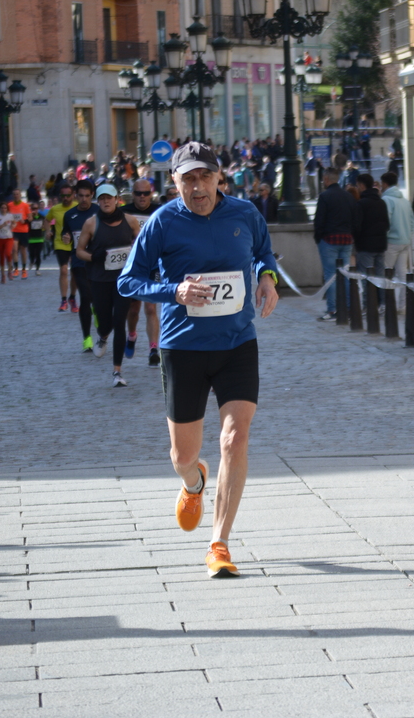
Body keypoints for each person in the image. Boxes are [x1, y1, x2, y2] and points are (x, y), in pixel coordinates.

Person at [117, 141, 280, 578]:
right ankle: (194, 481)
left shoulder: (245, 214)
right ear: (175, 182)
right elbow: (128, 282)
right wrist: (174, 292)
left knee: (235, 439)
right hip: (183, 347)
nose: (198, 186)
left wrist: (267, 279)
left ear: (219, 178)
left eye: (205, 176)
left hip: (237, 344)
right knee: (182, 456)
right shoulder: (162, 223)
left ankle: (219, 543)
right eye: (188, 178)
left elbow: (265, 253)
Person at [76, 184, 142, 387]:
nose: (106, 201)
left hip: (123, 280)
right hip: (99, 279)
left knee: (120, 320)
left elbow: (141, 245)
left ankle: (117, 371)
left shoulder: (130, 221)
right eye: (102, 198)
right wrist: (93, 256)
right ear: (98, 201)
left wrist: (136, 259)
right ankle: (103, 335)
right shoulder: (91, 223)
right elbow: (79, 251)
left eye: (109, 198)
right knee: (106, 323)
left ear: (117, 200)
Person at [122, 179, 162, 366]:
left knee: (151, 307)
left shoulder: (159, 210)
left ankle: (153, 348)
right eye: (138, 193)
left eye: (146, 193)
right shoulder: (124, 211)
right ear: (133, 194)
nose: (142, 197)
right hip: (133, 265)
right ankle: (131, 335)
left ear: (151, 193)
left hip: (153, 265)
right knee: (133, 309)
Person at [313, 167, 357, 321]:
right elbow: (355, 218)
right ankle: (349, 307)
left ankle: (332, 309)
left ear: (326, 179)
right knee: (345, 275)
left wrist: (319, 237)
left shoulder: (325, 196)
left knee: (330, 275)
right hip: (346, 239)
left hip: (329, 239)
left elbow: (319, 220)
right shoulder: (348, 196)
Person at [62, 181, 101, 351]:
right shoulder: (70, 215)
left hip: (99, 262)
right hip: (79, 262)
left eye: (87, 196)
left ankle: (98, 312)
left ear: (92, 195)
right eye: (81, 196)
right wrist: (66, 238)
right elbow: (66, 232)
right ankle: (87, 338)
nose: (84, 199)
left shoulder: (100, 212)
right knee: (85, 296)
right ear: (75, 196)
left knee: (98, 299)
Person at [352, 173, 389, 299]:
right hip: (380, 245)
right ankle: (383, 303)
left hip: (365, 246)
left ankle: (369, 305)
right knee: (380, 277)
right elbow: (387, 224)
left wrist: (357, 240)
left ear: (362, 186)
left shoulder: (361, 204)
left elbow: (357, 226)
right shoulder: (381, 202)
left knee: (366, 277)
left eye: (357, 186)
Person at [380, 171, 414, 305]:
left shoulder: (386, 200)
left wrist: (386, 236)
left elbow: (385, 220)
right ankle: (403, 305)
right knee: (403, 275)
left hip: (391, 242)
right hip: (405, 241)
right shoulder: (404, 200)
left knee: (386, 274)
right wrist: (407, 235)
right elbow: (412, 222)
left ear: (384, 183)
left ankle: (387, 304)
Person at [49, 185, 79, 312]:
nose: (65, 198)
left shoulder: (78, 207)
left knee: (75, 272)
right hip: (60, 243)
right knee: (63, 270)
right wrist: (47, 231)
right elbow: (47, 220)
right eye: (63, 196)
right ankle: (63, 299)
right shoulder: (55, 209)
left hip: (76, 243)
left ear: (73, 195)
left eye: (68, 195)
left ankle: (72, 297)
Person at [6, 189, 32, 279]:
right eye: (14, 194)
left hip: (23, 230)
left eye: (17, 194)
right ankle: (16, 269)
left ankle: (24, 270)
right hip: (14, 230)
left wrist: (24, 221)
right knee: (14, 249)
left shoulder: (25, 205)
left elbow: (30, 218)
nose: (16, 195)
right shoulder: (9, 205)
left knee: (23, 251)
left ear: (20, 195)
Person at [0, 201, 18, 285]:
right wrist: (2, 225)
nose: (3, 209)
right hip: (0, 239)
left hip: (8, 238)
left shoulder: (10, 216)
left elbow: (14, 223)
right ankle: (3, 275)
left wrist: (13, 226)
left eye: (5, 208)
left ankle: (9, 271)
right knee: (1, 257)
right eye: (2, 208)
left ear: (7, 209)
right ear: (0, 208)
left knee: (8, 254)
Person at [27, 200, 47, 276]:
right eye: (33, 208)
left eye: (36, 208)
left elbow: (45, 225)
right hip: (31, 239)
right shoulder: (29, 218)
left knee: (38, 254)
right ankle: (32, 261)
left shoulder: (42, 217)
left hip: (39, 238)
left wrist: (44, 227)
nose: (34, 210)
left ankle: (37, 269)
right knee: (32, 253)